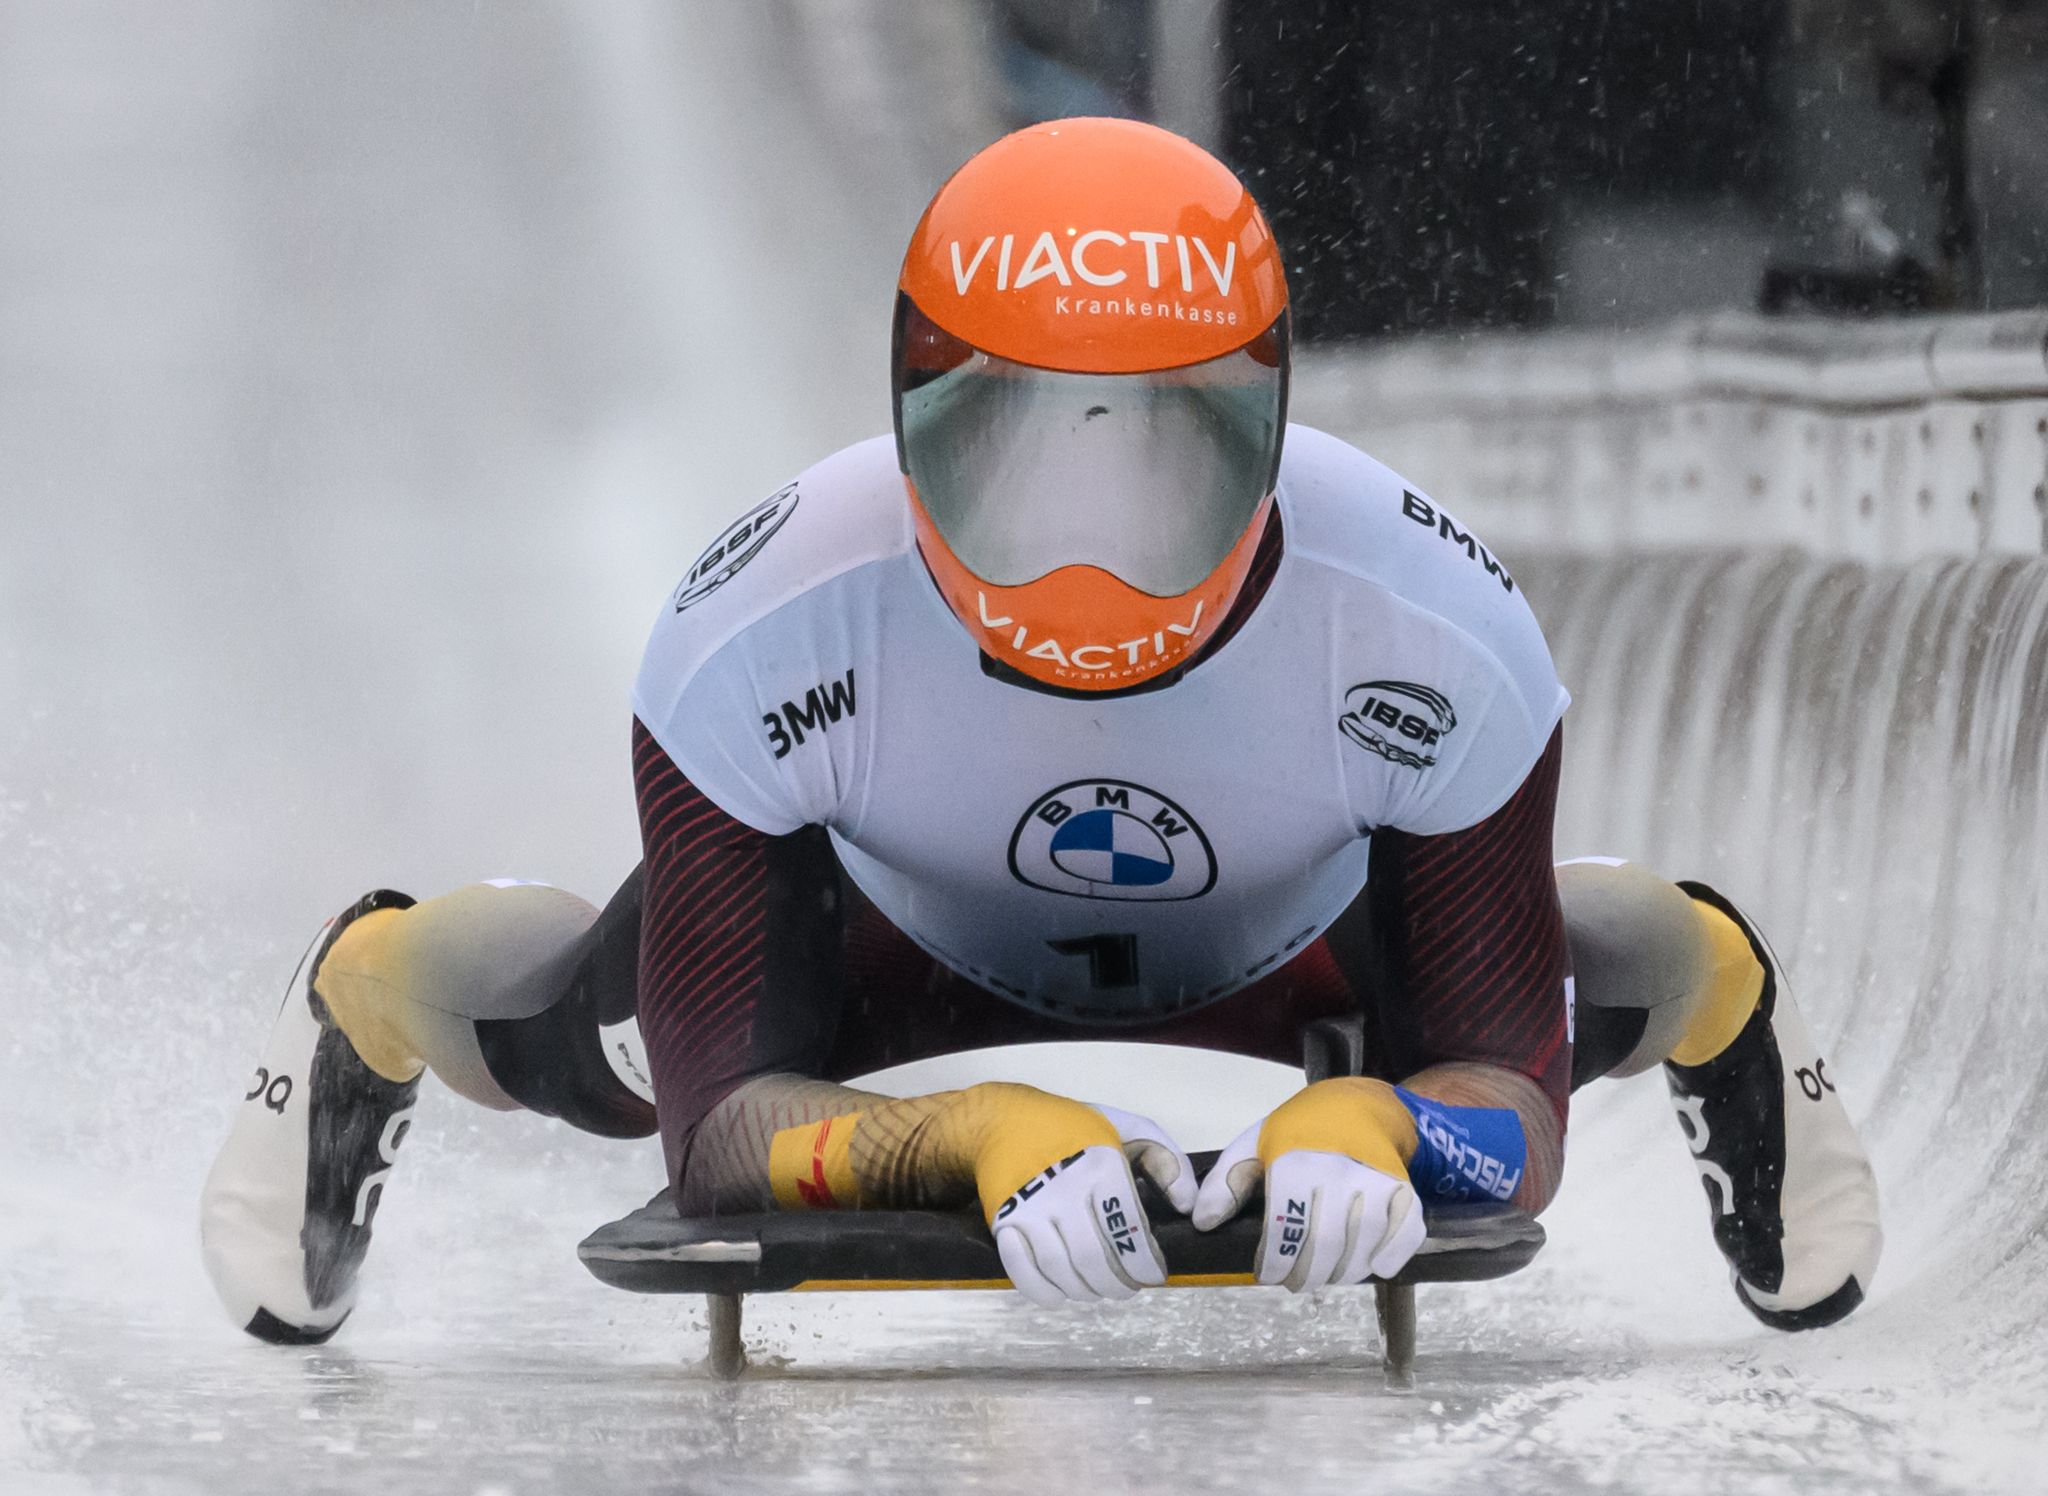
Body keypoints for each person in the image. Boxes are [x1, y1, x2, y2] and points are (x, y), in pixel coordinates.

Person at [200, 118, 1881, 1342]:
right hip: (883, 957)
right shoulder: (758, 626)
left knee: (1609, 960)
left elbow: (1509, 1093)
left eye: (1163, 456)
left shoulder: (1436, 632)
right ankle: (381, 982)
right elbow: (721, 1136)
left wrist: (1388, 1123)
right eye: (1022, 452)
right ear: (916, 412)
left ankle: (1719, 981)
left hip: (1294, 969)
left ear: (1271, 418)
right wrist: (971, 1132)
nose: (1084, 552)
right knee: (602, 1045)